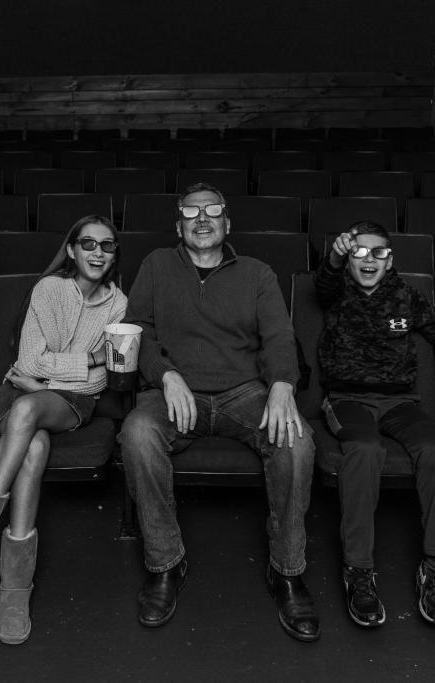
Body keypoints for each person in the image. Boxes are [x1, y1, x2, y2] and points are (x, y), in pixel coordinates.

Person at [119, 182, 320, 642]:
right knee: (137, 435)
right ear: (179, 225)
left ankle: (287, 570)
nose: (203, 218)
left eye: (213, 210)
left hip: (243, 392)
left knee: (297, 442)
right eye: (192, 212)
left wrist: (283, 386)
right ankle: (166, 563)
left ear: (227, 223)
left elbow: (279, 338)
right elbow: (136, 330)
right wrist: (166, 375)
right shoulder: (155, 266)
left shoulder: (256, 273)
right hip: (176, 392)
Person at [0, 215, 127, 645]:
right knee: (32, 447)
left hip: (69, 404)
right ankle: (14, 590)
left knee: (31, 406)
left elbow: (100, 380)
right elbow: (29, 362)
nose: (97, 253)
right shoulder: (49, 289)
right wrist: (86, 360)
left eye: (106, 246)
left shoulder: (117, 304)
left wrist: (55, 375)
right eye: (87, 244)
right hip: (18, 397)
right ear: (71, 250)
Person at [315, 220, 435, 629]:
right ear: (349, 258)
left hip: (399, 402)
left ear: (390, 259)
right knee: (365, 450)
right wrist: (334, 259)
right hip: (348, 399)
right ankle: (358, 569)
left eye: (378, 252)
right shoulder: (337, 290)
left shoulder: (404, 296)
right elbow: (322, 285)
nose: (368, 260)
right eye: (359, 252)